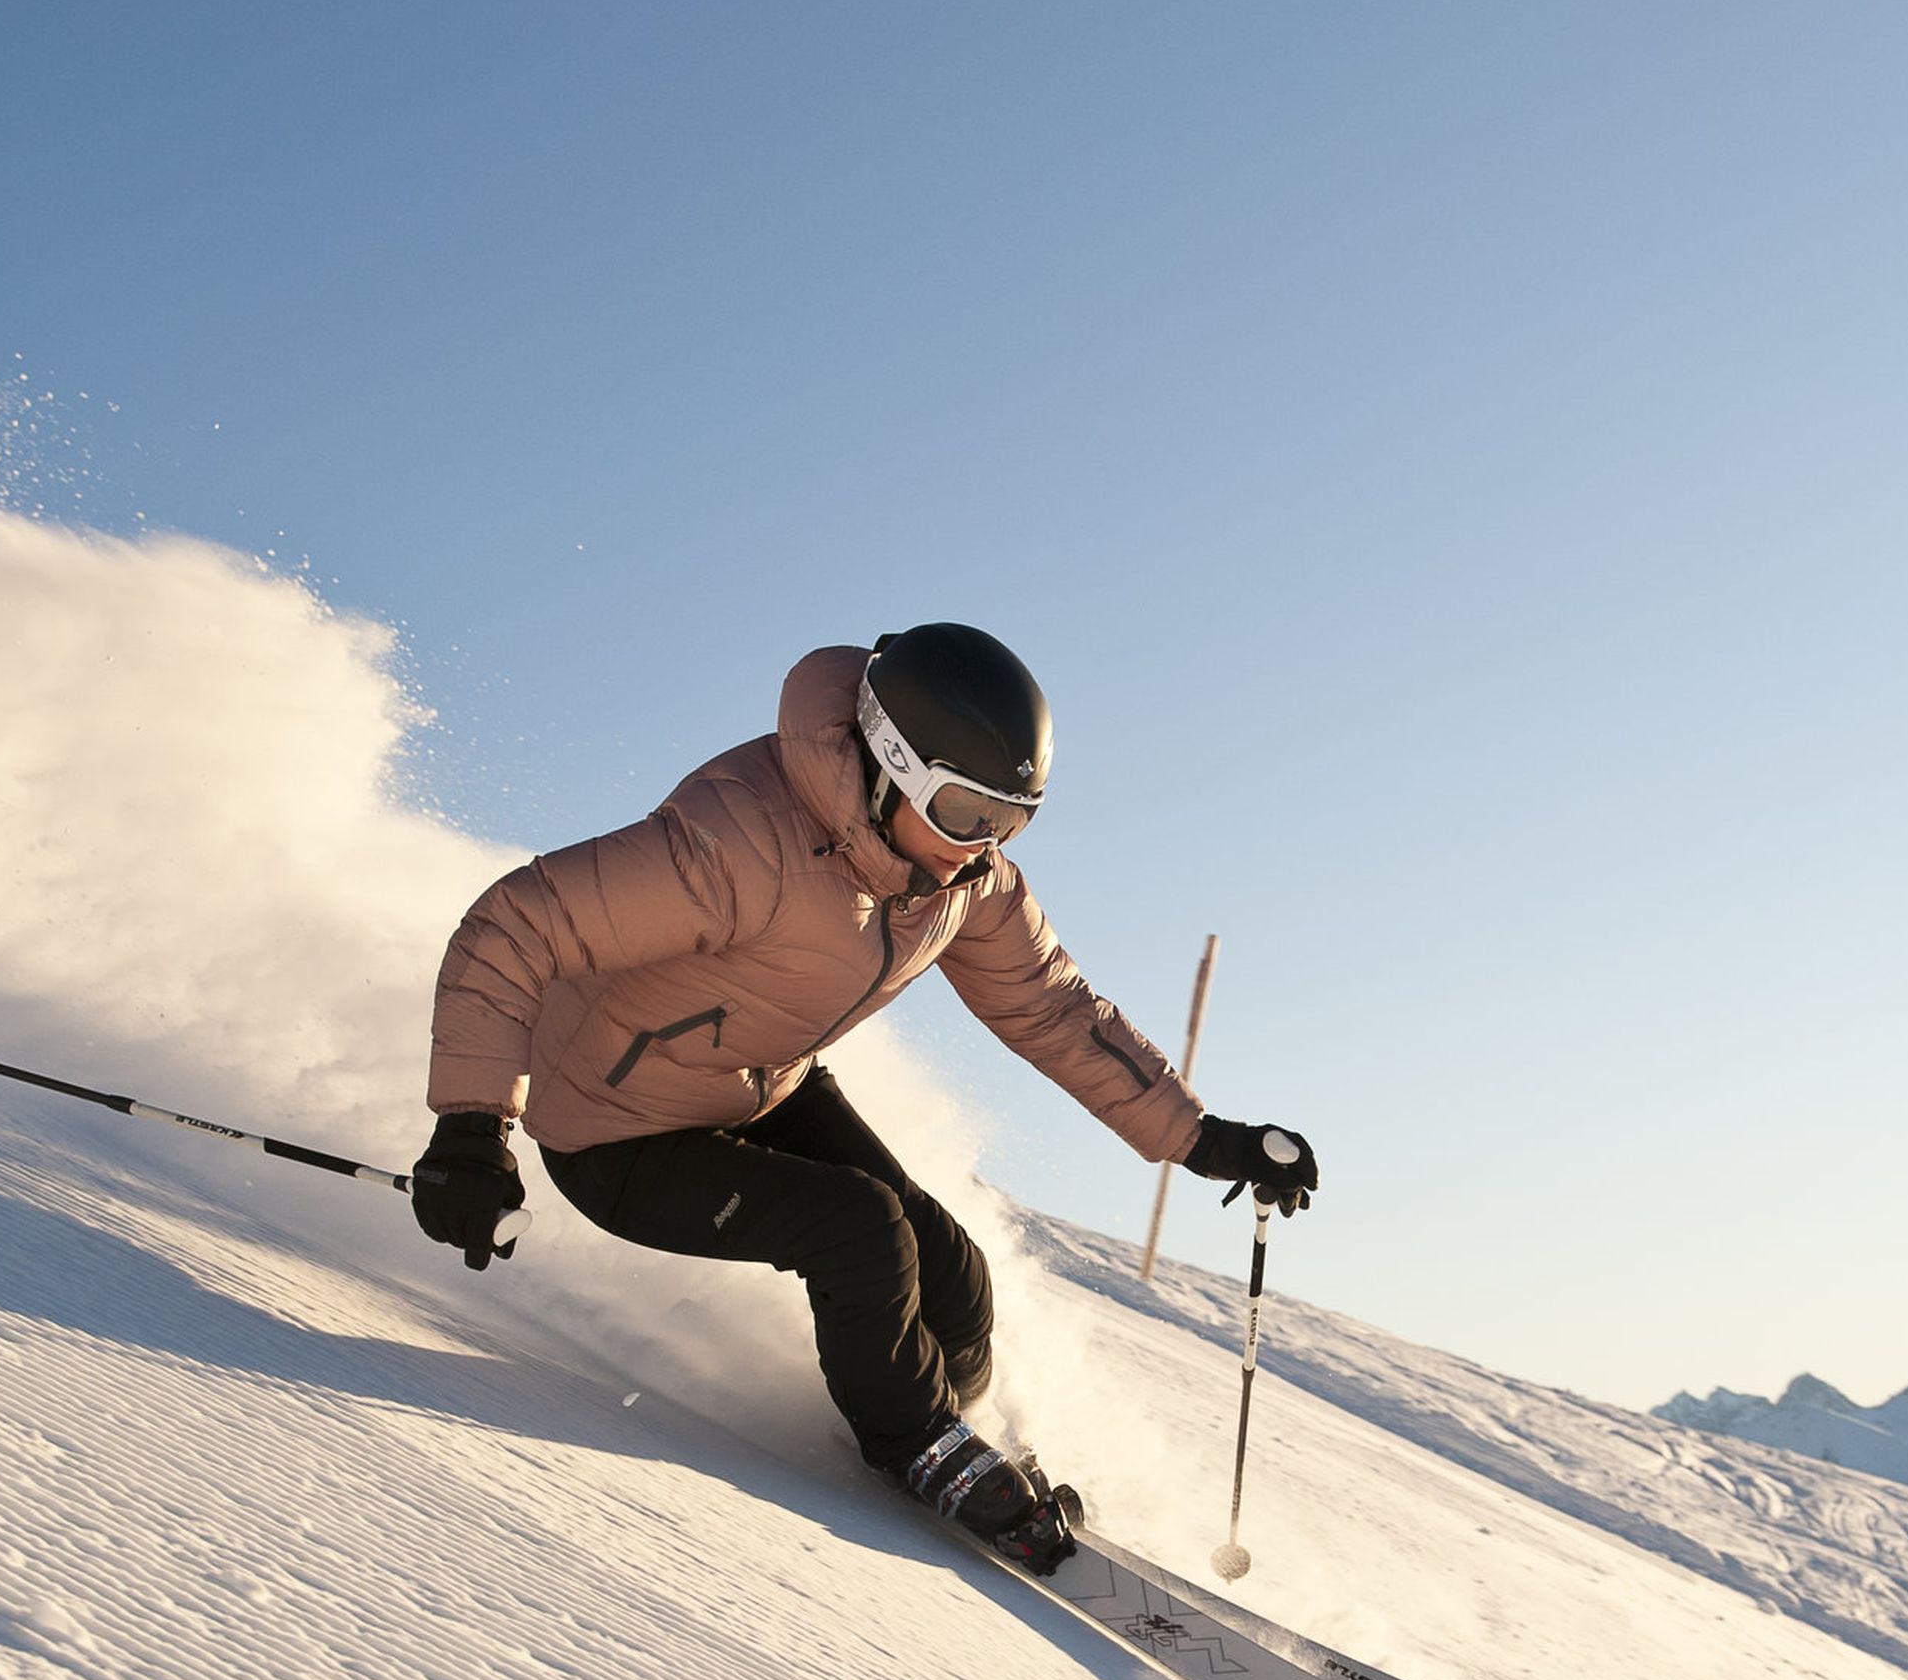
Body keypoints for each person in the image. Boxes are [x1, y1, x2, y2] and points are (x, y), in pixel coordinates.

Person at [407, 625, 1320, 1570]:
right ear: (889, 764)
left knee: (954, 1275)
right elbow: (514, 926)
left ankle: (959, 1426)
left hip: (756, 1086)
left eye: (1011, 821)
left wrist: (1201, 1136)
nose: (982, 847)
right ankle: (913, 1442)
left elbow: (1055, 1011)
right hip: (611, 1125)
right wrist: (472, 1128)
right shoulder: (739, 842)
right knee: (860, 1230)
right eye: (966, 812)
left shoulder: (960, 884)